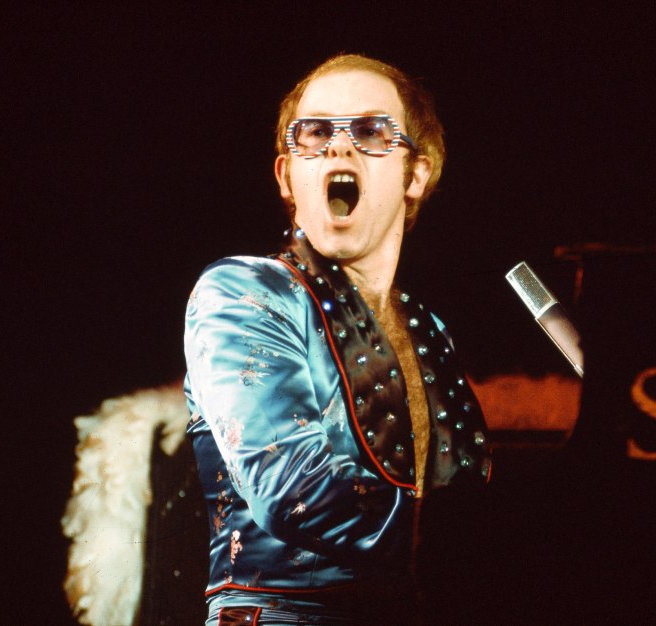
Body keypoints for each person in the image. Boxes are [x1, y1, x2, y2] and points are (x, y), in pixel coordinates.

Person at [184, 54, 492, 625]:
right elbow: (290, 488)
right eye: (316, 132)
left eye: (373, 132)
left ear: (416, 175)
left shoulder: (429, 329)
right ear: (286, 176)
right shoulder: (243, 293)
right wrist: (506, 545)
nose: (339, 147)